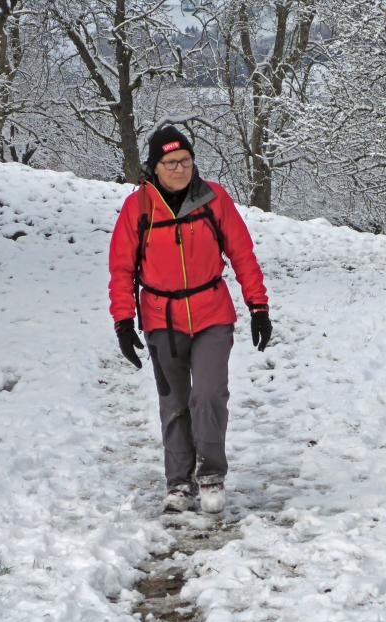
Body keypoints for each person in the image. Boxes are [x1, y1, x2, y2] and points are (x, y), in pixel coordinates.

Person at [108, 125, 271, 513]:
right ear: (154, 167)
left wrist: (258, 307)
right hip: (161, 318)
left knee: (209, 394)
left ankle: (211, 473)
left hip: (211, 310)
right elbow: (121, 269)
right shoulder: (139, 208)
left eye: (185, 160)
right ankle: (179, 482)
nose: (180, 169)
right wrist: (123, 322)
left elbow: (242, 253)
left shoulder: (213, 200)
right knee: (175, 403)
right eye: (170, 162)